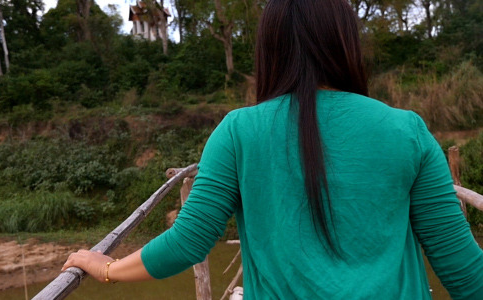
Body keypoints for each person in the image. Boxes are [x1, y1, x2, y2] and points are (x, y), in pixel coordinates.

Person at [62, 0, 483, 298]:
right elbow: (465, 273)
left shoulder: (238, 131)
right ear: (346, 44)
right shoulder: (406, 129)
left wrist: (107, 268)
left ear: (271, 51)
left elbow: (189, 242)